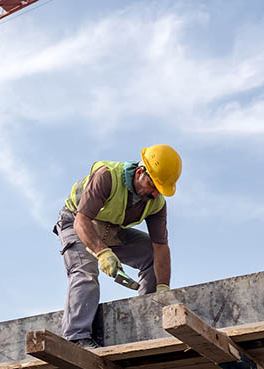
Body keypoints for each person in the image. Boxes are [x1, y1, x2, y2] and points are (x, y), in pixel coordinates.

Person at [52, 144, 182, 348]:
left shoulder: (156, 204)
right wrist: (102, 252)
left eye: (160, 189)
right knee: (85, 271)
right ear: (140, 172)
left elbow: (160, 247)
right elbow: (82, 221)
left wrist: (163, 287)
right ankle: (77, 338)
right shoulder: (107, 177)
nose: (156, 193)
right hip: (76, 221)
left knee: (150, 254)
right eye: (153, 185)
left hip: (110, 229)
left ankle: (150, 320)